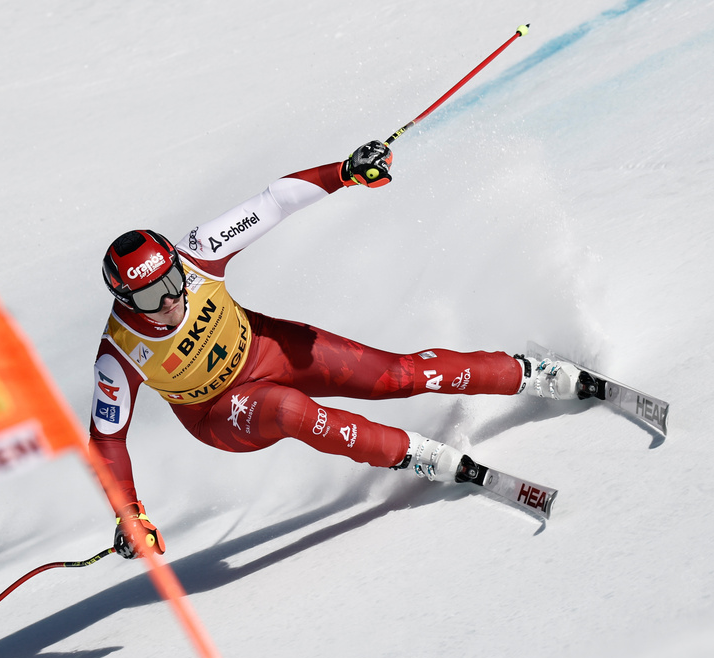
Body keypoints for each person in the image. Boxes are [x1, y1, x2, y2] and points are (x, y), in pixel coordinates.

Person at [90, 140, 588, 559]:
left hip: (265, 345)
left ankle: (528, 373)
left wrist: (345, 172)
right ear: (127, 302)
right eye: (154, 297)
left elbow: (274, 202)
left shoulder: (199, 251)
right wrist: (130, 515)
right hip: (218, 411)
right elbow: (107, 440)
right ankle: (415, 455)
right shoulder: (120, 353)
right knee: (290, 410)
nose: (173, 298)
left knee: (395, 376)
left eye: (173, 280)